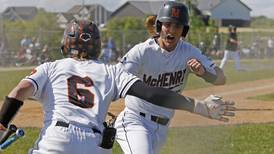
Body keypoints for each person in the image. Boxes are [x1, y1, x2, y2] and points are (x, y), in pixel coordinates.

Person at [0, 20, 234, 154]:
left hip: (56, 140)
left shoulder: (50, 67)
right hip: (93, 144)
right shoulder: (111, 71)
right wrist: (198, 106)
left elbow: (19, 92)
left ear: (65, 43)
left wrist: (1, 124)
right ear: (98, 45)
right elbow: (153, 93)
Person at [114, 2, 227, 154]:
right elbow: (116, 78)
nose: (172, 30)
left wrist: (203, 72)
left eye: (177, 26)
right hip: (135, 120)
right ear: (159, 26)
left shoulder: (189, 52)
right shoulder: (142, 51)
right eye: (168, 25)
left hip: (163, 127)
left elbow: (221, 78)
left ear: (184, 31)